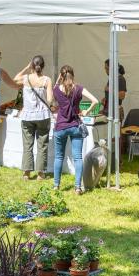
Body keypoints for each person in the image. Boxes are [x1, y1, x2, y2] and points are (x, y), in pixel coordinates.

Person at [52, 65, 99, 194]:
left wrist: (58, 80)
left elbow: (51, 99)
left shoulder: (56, 89)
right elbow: (95, 101)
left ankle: (56, 185)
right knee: (78, 158)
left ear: (61, 76)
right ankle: (78, 187)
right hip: (75, 126)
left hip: (60, 126)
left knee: (58, 157)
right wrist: (86, 112)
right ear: (73, 75)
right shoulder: (79, 89)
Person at [14, 55, 54, 181]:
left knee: (27, 144)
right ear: (43, 66)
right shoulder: (47, 80)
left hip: (28, 115)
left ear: (32, 65)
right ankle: (41, 173)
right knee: (42, 144)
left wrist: (26, 68)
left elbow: (15, 79)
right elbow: (49, 100)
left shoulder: (26, 79)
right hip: (42, 115)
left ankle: (26, 173)